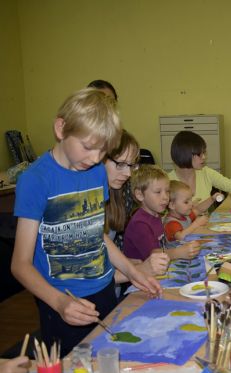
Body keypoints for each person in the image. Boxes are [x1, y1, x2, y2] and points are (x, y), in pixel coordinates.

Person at [10, 88, 162, 356]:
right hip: (64, 301)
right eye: (89, 147)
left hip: (104, 290)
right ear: (61, 128)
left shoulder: (95, 173)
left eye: (102, 150)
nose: (94, 158)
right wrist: (59, 302)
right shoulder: (36, 180)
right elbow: (20, 264)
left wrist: (132, 271)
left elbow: (97, 233)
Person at [105, 130, 169, 288]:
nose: (128, 173)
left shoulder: (119, 192)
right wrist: (136, 269)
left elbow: (109, 246)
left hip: (115, 282)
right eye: (120, 164)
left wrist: (127, 264)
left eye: (132, 165)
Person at [123, 165, 200, 261]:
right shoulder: (139, 224)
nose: (165, 197)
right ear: (140, 195)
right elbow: (153, 256)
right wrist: (178, 252)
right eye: (158, 192)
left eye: (167, 191)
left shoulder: (156, 214)